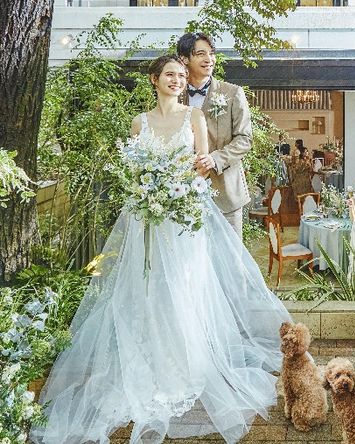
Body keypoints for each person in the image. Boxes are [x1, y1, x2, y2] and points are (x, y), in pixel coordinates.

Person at [32, 55, 291, 444]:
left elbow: (201, 166)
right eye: (170, 74)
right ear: (154, 79)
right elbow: (135, 170)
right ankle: (151, 362)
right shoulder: (140, 122)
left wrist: (175, 186)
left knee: (185, 288)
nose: (178, 80)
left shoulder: (195, 118)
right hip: (148, 219)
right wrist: (148, 188)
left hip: (184, 217)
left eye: (182, 75)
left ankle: (188, 363)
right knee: (149, 288)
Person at [177, 32, 252, 238]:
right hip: (185, 193)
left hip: (226, 194)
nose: (209, 59)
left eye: (211, 53)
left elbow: (244, 139)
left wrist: (215, 159)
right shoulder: (175, 95)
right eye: (201, 54)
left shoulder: (232, 93)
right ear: (184, 59)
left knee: (230, 255)